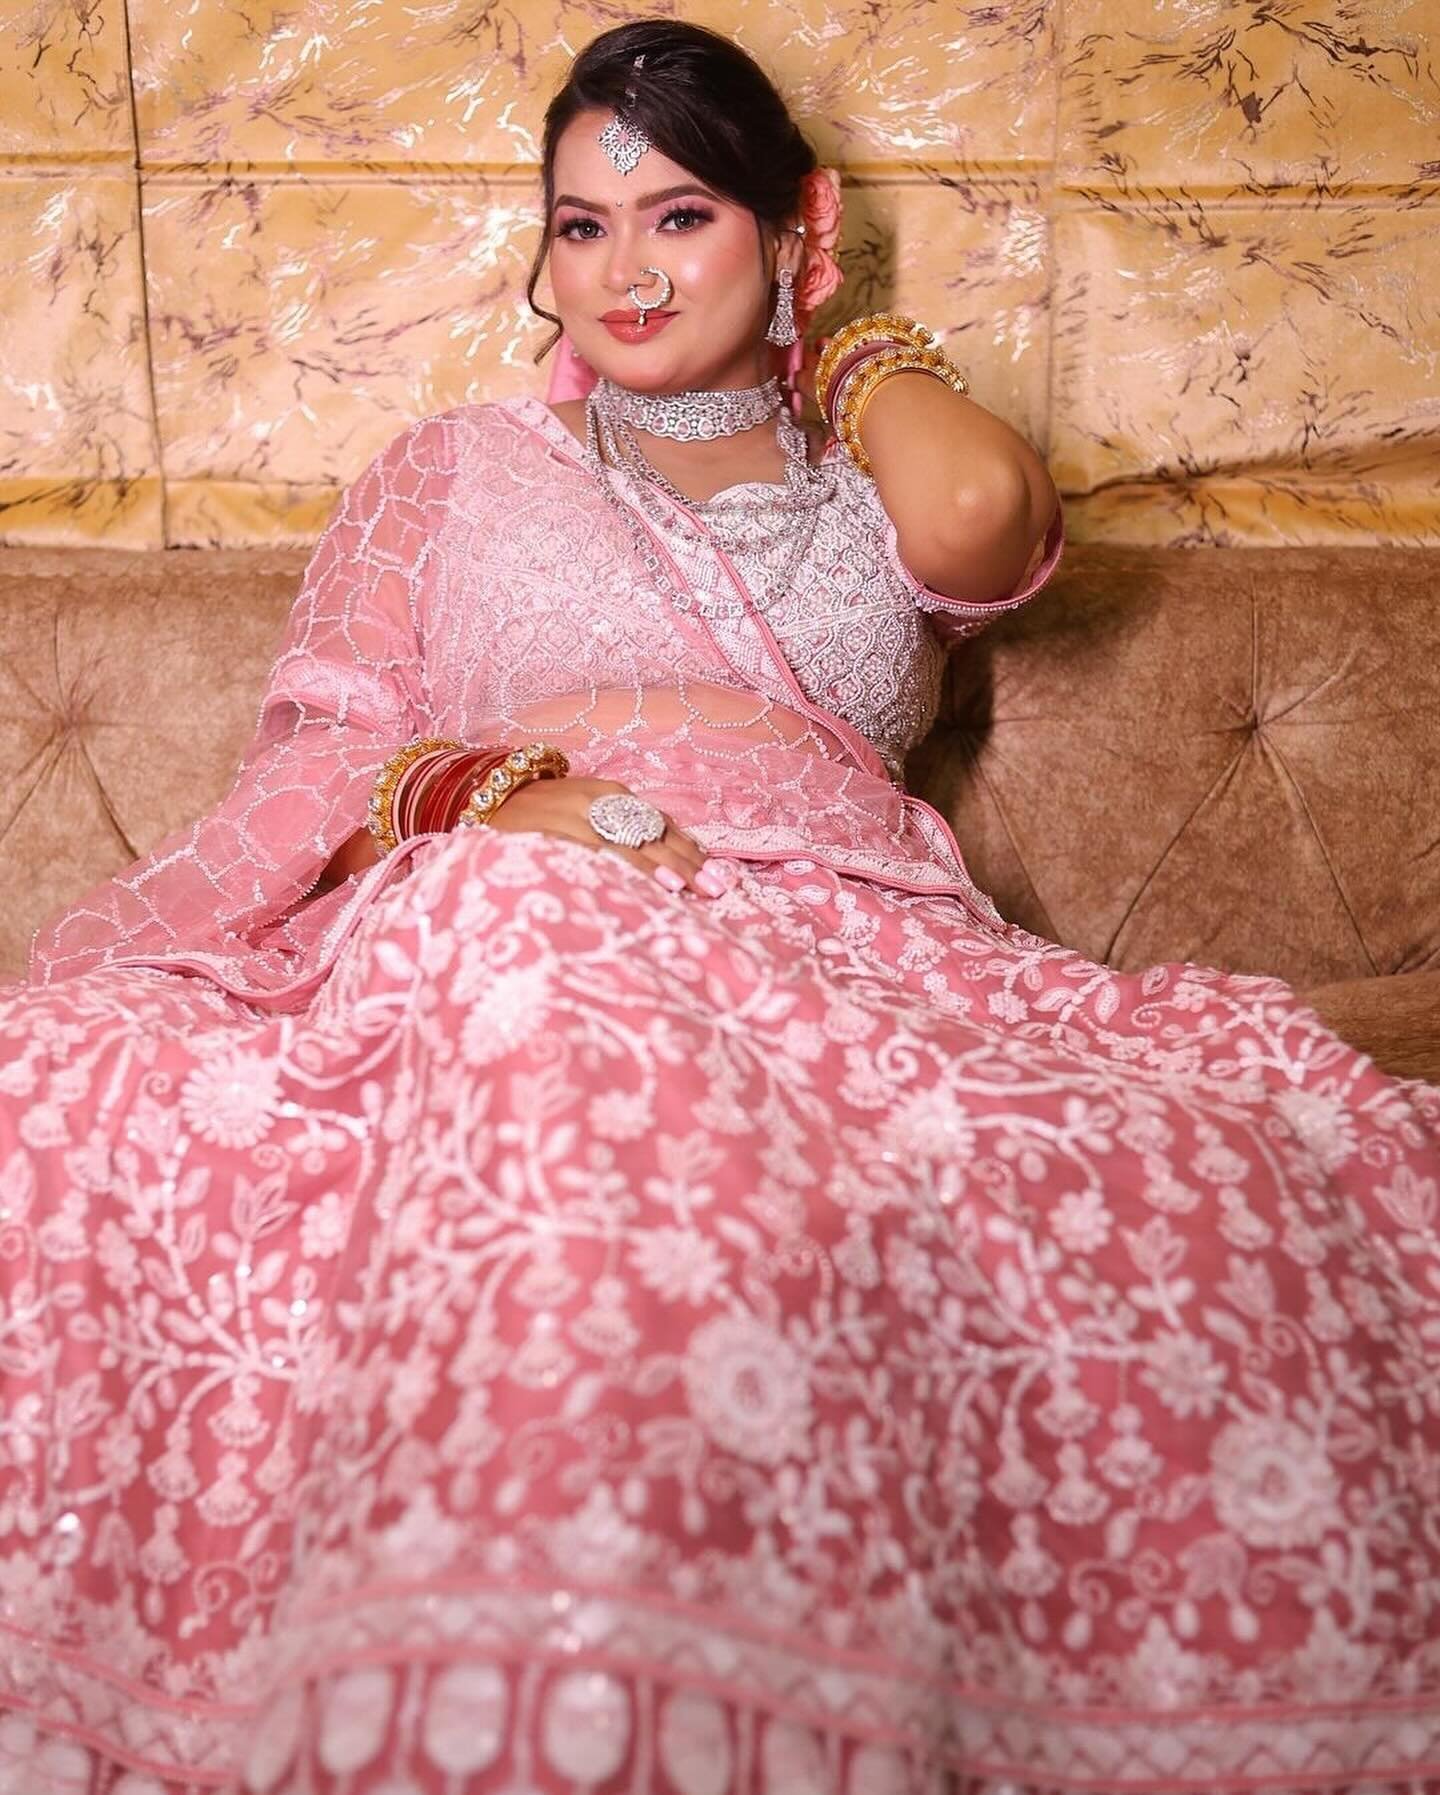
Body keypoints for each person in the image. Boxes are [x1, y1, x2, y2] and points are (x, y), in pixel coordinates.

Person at [2, 19, 1437, 1795]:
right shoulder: (455, 472)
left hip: (827, 922)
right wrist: (486, 800)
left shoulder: (870, 489)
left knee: (1225, 1156)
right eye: (582, 225)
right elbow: (321, 765)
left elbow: (985, 515)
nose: (624, 270)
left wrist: (847, 355)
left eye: (680, 216)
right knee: (98, 1071)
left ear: (792, 226)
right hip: (505, 905)